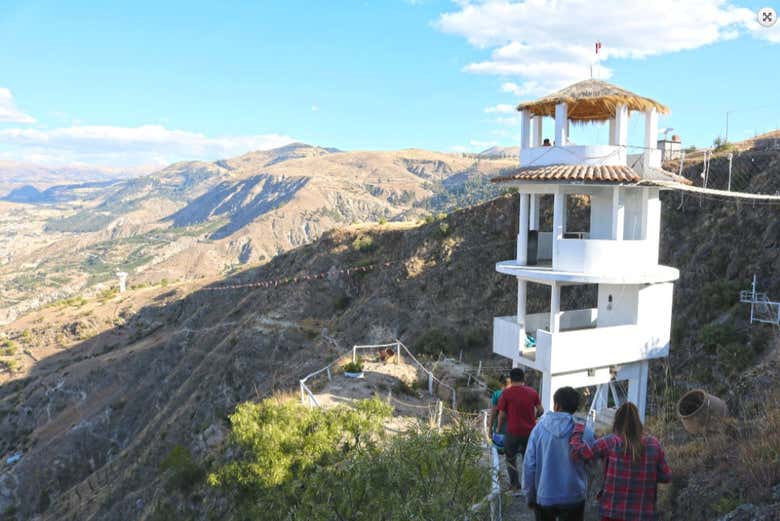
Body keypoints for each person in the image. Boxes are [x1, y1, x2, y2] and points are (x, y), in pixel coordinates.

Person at [570, 402, 671, 521]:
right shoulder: (653, 444)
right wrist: (645, 473)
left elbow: (579, 453)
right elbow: (666, 477)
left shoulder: (610, 442)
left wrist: (578, 431)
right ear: (638, 422)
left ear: (616, 422)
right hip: (643, 514)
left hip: (612, 513)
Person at [523, 387, 595, 521]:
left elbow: (529, 465)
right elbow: (592, 465)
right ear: (575, 407)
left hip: (545, 496)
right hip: (574, 495)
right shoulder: (585, 431)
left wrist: (529, 495)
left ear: (556, 405)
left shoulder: (539, 429)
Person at [496, 368, 544, 494]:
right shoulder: (532, 392)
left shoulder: (506, 393)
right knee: (529, 459)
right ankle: (530, 485)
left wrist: (498, 429)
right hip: (529, 432)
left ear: (511, 379)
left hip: (512, 431)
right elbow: (541, 410)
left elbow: (501, 415)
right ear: (523, 378)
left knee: (510, 458)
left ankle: (515, 485)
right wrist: (535, 418)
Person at [488, 374, 512, 453]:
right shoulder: (516, 394)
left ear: (501, 383)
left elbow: (493, 414)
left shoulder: (497, 394)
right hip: (514, 434)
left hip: (499, 433)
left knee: (497, 456)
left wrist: (490, 430)